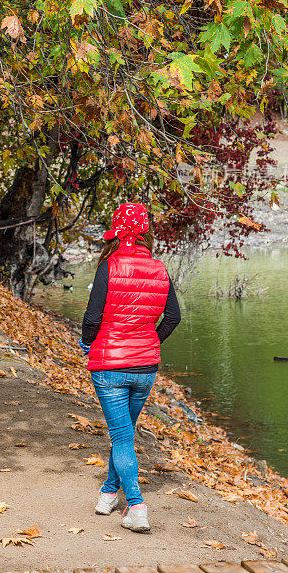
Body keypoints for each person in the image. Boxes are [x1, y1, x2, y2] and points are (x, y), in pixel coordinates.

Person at [79, 202, 181, 533]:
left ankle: (136, 506)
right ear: (146, 232)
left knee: (122, 436)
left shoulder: (109, 265)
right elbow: (174, 317)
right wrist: (151, 341)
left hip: (110, 365)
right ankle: (108, 494)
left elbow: (93, 318)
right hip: (145, 368)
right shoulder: (159, 267)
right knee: (124, 432)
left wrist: (86, 343)